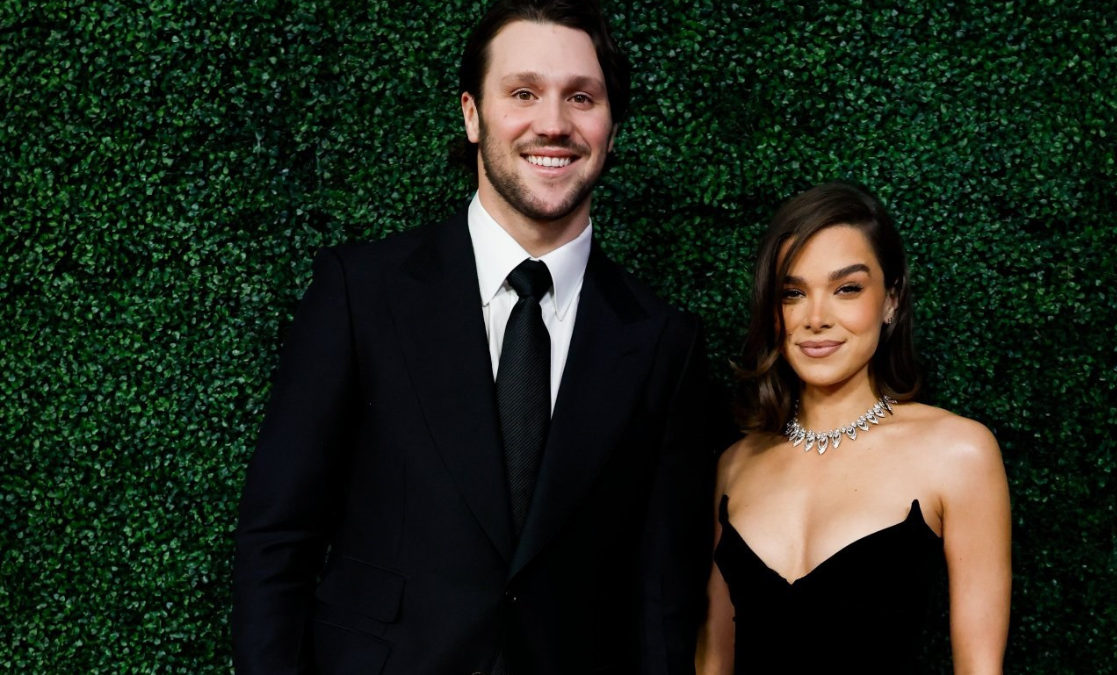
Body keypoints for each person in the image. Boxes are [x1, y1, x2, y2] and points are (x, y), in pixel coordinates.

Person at [232, 2, 718, 674]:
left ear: (611, 125)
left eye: (581, 97)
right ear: (471, 114)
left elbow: (659, 599)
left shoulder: (665, 343)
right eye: (523, 93)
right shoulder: (360, 293)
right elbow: (277, 538)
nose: (553, 123)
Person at [695, 182, 1011, 674]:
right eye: (793, 294)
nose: (816, 318)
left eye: (847, 289)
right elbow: (713, 662)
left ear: (891, 300)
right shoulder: (736, 465)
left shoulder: (957, 453)